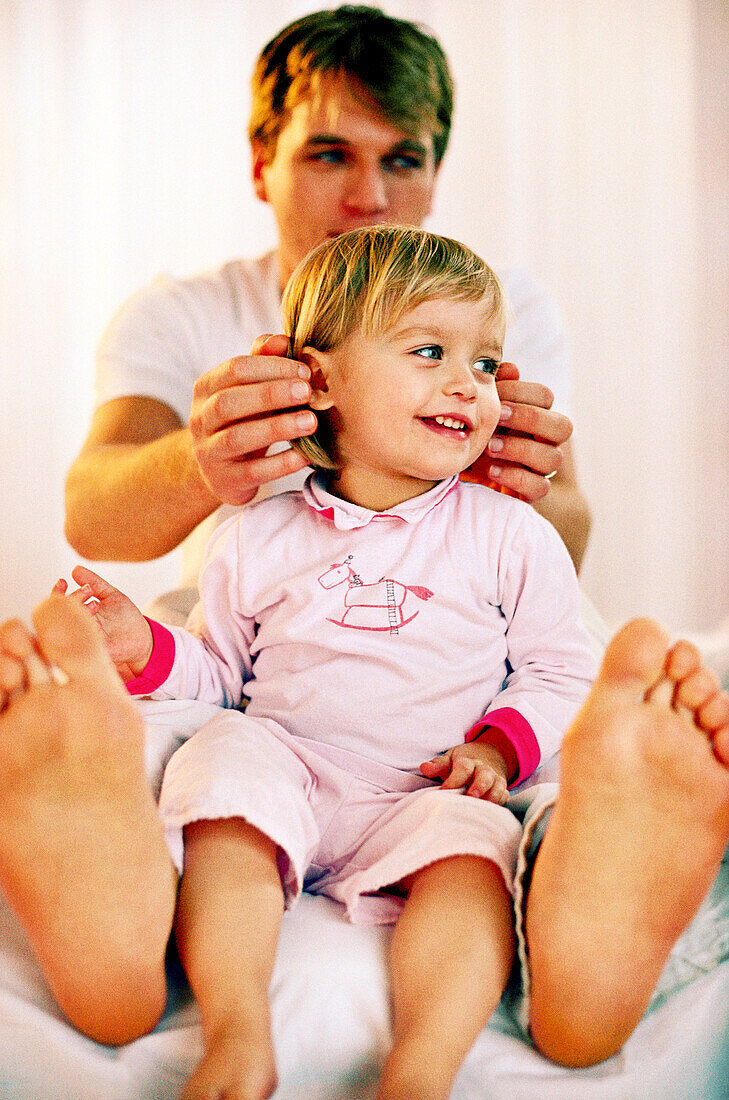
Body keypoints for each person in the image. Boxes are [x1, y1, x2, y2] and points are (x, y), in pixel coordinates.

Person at [57, 225, 597, 1099]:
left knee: (477, 857)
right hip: (293, 767)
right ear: (320, 379)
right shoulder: (256, 533)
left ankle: (420, 1070)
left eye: (487, 363)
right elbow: (222, 676)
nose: (468, 382)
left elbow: (559, 673)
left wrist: (495, 754)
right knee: (223, 763)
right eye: (429, 351)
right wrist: (145, 650)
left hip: (427, 789)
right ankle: (237, 1034)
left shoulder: (511, 534)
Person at [63, 5, 590, 633]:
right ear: (263, 164)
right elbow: (90, 520)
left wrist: (510, 481)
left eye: (402, 160)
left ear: (434, 174)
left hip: (460, 632)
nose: (370, 199)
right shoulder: (181, 313)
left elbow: (571, 537)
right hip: (253, 637)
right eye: (330, 155)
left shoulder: (503, 308)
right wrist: (202, 459)